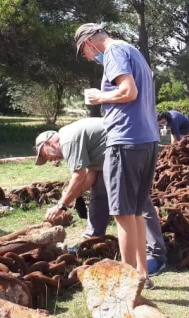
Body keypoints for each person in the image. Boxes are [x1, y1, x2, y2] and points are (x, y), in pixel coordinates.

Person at [75, 23, 160, 286]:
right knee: (135, 211)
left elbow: (128, 91)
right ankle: (142, 274)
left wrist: (99, 97)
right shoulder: (132, 50)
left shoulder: (113, 52)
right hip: (147, 140)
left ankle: (128, 279)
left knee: (123, 213)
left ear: (89, 43)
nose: (89, 59)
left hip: (125, 140)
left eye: (85, 54)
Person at [33, 118, 167, 276]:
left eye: (46, 155)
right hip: (114, 156)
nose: (51, 160)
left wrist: (61, 205)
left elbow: (79, 176)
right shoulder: (73, 137)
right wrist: (72, 194)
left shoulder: (67, 140)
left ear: (49, 143)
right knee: (100, 194)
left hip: (130, 148)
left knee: (140, 203)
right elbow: (91, 175)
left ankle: (156, 256)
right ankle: (92, 240)